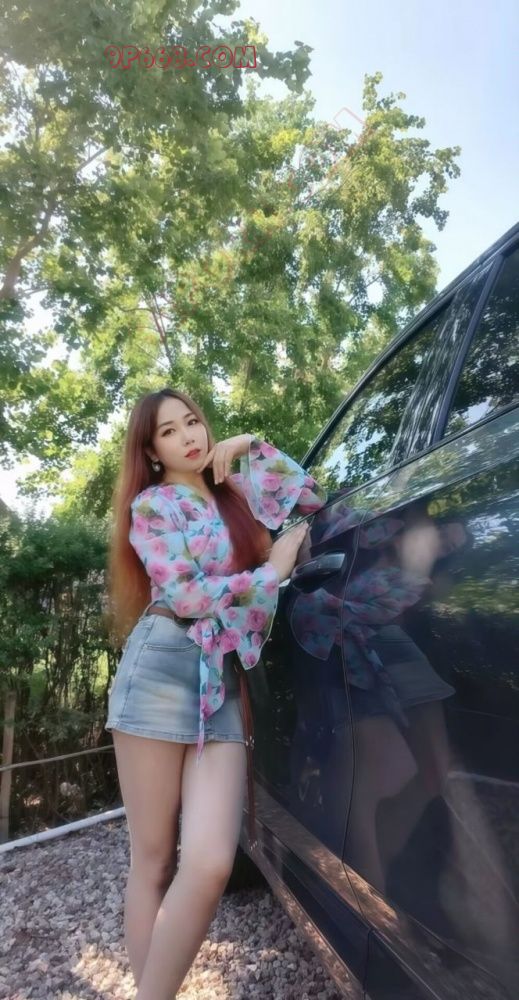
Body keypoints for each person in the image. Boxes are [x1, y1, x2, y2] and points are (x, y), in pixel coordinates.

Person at [104, 386, 327, 1000]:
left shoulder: (238, 492)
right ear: (151, 451)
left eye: (193, 422)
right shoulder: (153, 505)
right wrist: (271, 573)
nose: (188, 437)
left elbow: (314, 503)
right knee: (154, 862)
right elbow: (185, 595)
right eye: (169, 431)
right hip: (160, 670)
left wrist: (253, 446)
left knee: (209, 862)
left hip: (219, 683)